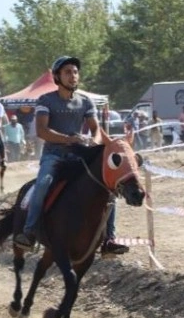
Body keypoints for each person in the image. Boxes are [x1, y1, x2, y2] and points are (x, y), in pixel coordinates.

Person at [13, 56, 128, 255]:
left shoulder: (85, 101)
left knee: (107, 188)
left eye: (75, 72)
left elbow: (97, 130)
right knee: (42, 183)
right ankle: (30, 231)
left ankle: (109, 239)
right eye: (67, 72)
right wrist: (70, 139)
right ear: (57, 76)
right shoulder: (45, 100)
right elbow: (42, 131)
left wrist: (94, 139)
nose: (73, 76)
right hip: (53, 157)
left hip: (78, 157)